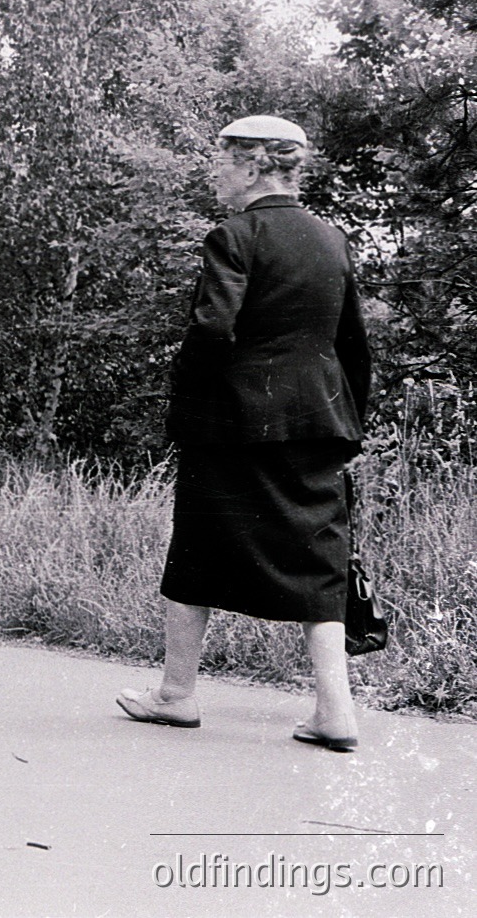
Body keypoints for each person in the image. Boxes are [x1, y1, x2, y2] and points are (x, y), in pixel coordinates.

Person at [117, 114, 371, 752]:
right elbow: (352, 345)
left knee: (198, 547)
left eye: (224, 159)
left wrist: (184, 402)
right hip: (319, 420)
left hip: (232, 422)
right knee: (320, 561)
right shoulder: (331, 239)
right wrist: (348, 421)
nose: (216, 170)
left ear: (255, 165)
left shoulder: (234, 236)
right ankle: (334, 711)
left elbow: (211, 331)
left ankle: (176, 694)